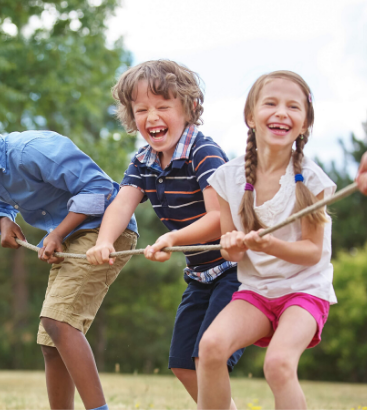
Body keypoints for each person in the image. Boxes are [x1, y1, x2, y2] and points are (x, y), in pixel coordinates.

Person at [0, 104, 138, 410]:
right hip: (71, 237)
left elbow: (99, 187)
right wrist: (3, 222)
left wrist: (58, 233)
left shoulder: (31, 151)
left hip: (104, 230)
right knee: (51, 342)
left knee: (58, 323)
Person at [86, 60, 243, 408]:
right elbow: (120, 205)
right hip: (201, 275)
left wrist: (172, 238)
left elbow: (218, 218)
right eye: (141, 109)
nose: (152, 116)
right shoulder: (143, 162)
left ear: (188, 107)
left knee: (206, 355)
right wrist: (104, 241)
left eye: (162, 106)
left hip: (236, 271)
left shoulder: (203, 153)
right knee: (183, 365)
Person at [196, 71, 336, 410]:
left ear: (304, 124)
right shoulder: (227, 177)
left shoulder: (313, 181)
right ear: (250, 116)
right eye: (270, 103)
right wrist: (233, 247)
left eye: (293, 107)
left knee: (278, 365)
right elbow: (230, 244)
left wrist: (268, 245)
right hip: (256, 291)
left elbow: (312, 253)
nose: (281, 112)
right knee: (210, 348)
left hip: (304, 291)